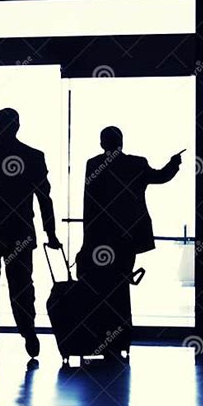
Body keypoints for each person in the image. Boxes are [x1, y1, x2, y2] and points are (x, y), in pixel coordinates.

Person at [0, 108, 62, 367]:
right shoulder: (33, 156)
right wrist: (50, 232)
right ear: (18, 126)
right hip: (19, 232)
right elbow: (44, 198)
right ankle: (28, 331)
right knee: (22, 287)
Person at [79, 126, 182, 356]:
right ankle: (122, 340)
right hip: (128, 238)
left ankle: (103, 338)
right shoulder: (136, 164)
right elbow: (160, 176)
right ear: (121, 143)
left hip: (100, 239)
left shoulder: (93, 165)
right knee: (121, 286)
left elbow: (89, 205)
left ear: (102, 143)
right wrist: (174, 163)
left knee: (102, 287)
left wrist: (86, 241)